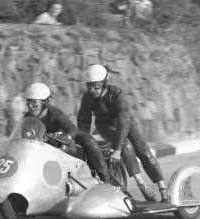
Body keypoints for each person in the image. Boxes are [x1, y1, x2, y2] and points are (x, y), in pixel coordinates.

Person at [77, 64, 169, 203]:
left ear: (104, 83)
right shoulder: (87, 98)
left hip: (125, 123)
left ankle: (162, 188)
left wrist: (117, 151)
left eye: (96, 86)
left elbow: (122, 123)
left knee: (144, 151)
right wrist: (83, 142)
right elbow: (84, 122)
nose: (92, 90)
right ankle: (142, 185)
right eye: (89, 86)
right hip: (104, 125)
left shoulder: (117, 94)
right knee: (126, 146)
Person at [24, 82, 111, 183]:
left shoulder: (54, 114)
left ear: (44, 103)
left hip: (68, 139)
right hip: (47, 146)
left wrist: (68, 137)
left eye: (34, 103)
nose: (30, 106)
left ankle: (106, 180)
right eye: (28, 102)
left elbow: (72, 129)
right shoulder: (27, 118)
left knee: (90, 142)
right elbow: (21, 134)